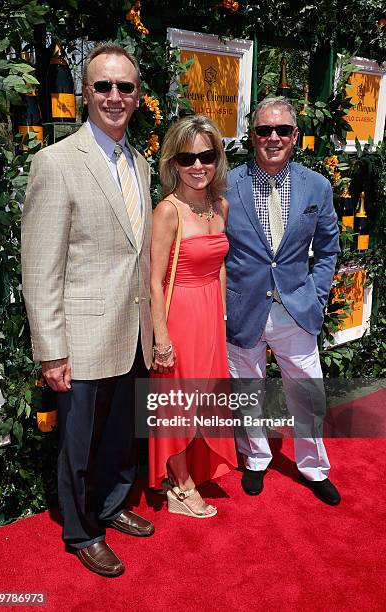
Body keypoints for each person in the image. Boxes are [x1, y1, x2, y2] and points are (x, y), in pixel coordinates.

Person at [21, 43, 154, 578]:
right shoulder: (54, 163)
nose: (114, 97)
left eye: (125, 87)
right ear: (84, 95)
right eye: (103, 86)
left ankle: (114, 503)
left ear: (138, 96)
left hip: (131, 331)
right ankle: (82, 530)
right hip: (80, 338)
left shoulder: (142, 164)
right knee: (76, 448)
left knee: (121, 438)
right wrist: (51, 350)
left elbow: (137, 253)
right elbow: (40, 268)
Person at [226, 97, 341, 505]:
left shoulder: (317, 186)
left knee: (308, 394)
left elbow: (328, 249)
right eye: (263, 130)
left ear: (295, 136)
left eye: (281, 131)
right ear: (251, 135)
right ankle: (256, 458)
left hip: (296, 308)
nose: (272, 138)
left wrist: (319, 295)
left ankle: (313, 467)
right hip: (244, 309)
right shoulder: (227, 184)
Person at [149, 115, 237, 518]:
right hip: (180, 316)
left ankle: (191, 471)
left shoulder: (219, 205)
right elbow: (153, 281)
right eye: (188, 158)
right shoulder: (167, 211)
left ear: (217, 158)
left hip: (209, 318)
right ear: (174, 162)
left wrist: (220, 314)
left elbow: (219, 263)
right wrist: (161, 338)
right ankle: (179, 486)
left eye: (206, 155)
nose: (198, 166)